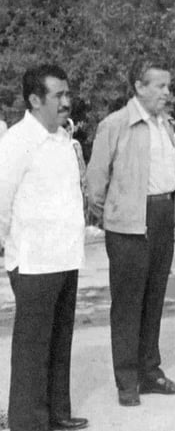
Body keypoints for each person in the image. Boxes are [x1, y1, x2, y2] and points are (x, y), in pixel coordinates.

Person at [86, 62, 175, 407]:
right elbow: (95, 184)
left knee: (155, 298)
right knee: (128, 304)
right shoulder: (115, 124)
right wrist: (117, 216)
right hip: (129, 223)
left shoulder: (166, 125)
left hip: (163, 214)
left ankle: (150, 372)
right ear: (138, 86)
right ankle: (127, 380)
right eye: (159, 86)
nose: (166, 93)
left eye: (168, 87)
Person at [0, 65, 88, 430]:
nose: (67, 102)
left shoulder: (63, 138)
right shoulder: (18, 141)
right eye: (58, 96)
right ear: (35, 100)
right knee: (32, 349)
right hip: (34, 260)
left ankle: (56, 413)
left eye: (68, 94)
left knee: (59, 340)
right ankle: (27, 422)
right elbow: (1, 199)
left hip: (66, 256)